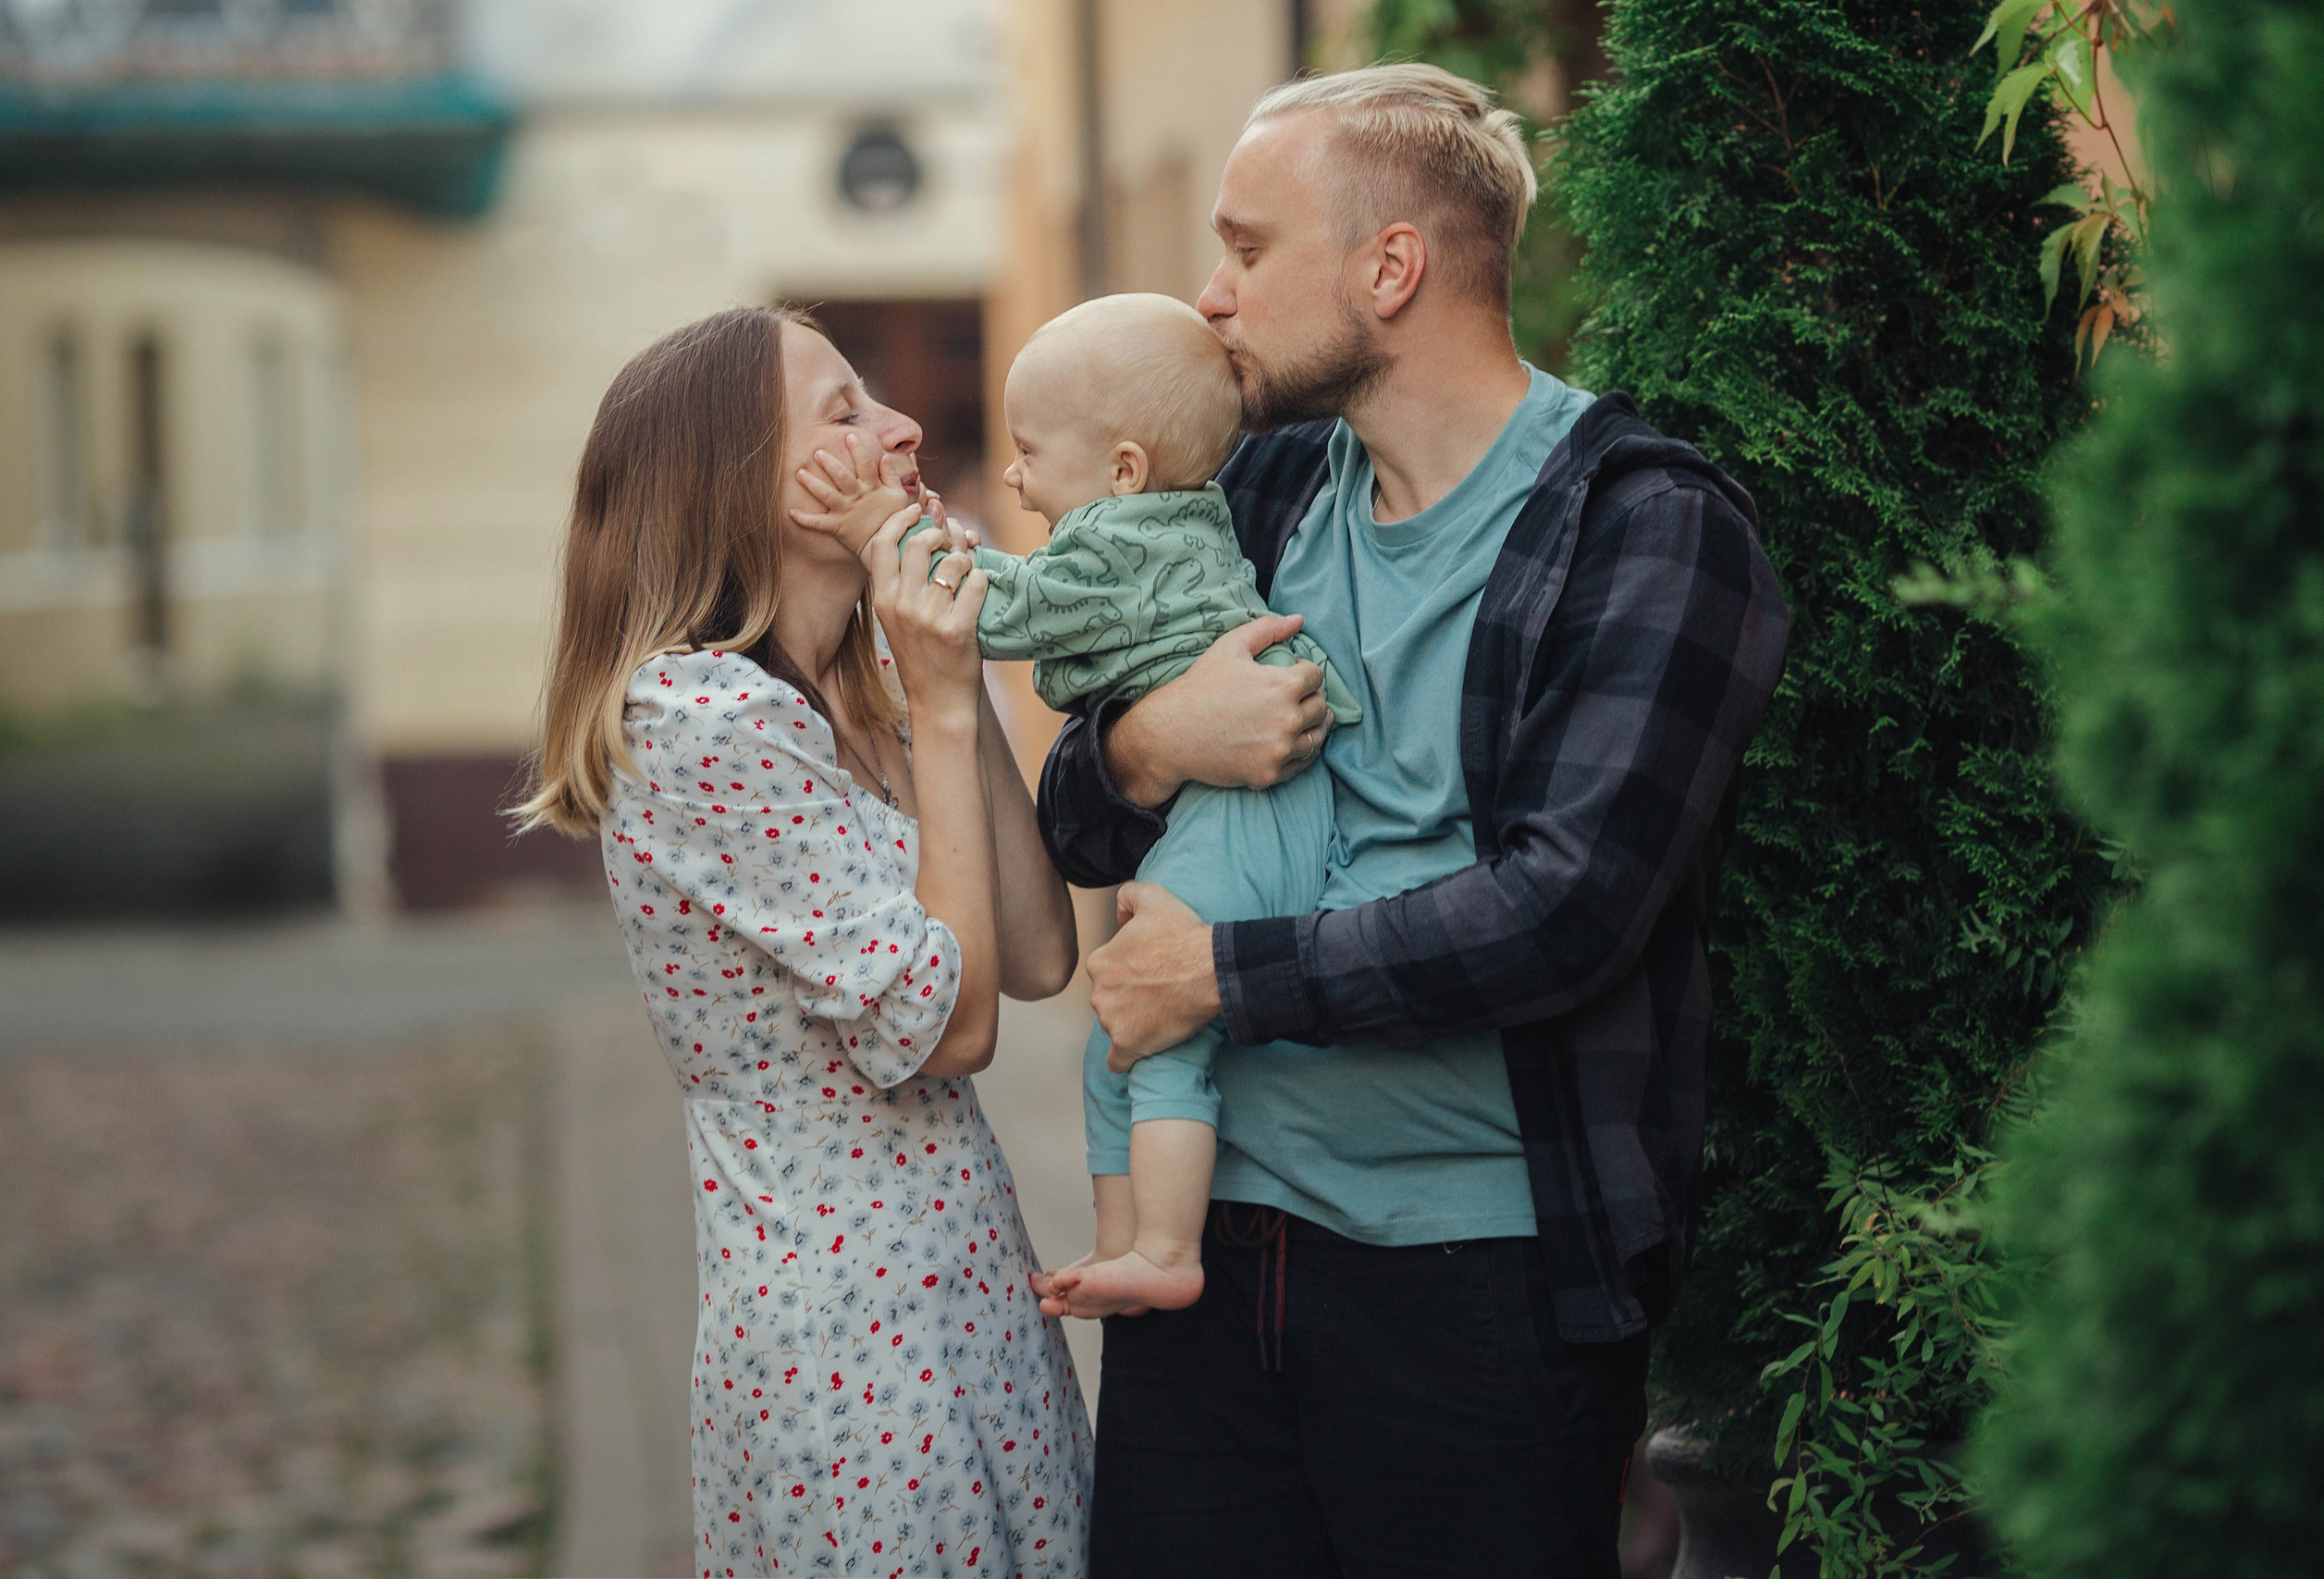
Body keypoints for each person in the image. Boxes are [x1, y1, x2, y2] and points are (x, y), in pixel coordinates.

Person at [1033, 66, 1794, 1577]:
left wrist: (1219, 977)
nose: (1212, 293)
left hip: (1479, 1292)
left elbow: (1563, 907)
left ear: (1392, 268)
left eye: (1248, 249)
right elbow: (1078, 817)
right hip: (1205, 1260)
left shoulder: (1649, 528)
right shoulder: (1252, 498)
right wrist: (1147, 738)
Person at [515, 305, 1093, 1576]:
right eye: (843, 412)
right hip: (855, 1352)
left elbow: (1040, 951)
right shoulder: (698, 721)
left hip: (972, 1288)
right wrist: (939, 700)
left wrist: (936, 658)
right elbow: (956, 1026)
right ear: (741, 487)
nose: (903, 431)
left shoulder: (856, 685)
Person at [799, 290, 1359, 1322]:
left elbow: (995, 611)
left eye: (1028, 451)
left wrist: (887, 533)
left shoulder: (1124, 543)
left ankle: (1167, 1248)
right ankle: (1122, 1246)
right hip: (1229, 808)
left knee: (1165, 1032)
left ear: (1121, 472)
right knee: (1118, 1035)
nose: (1009, 474)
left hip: (1245, 817)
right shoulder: (1165, 522)